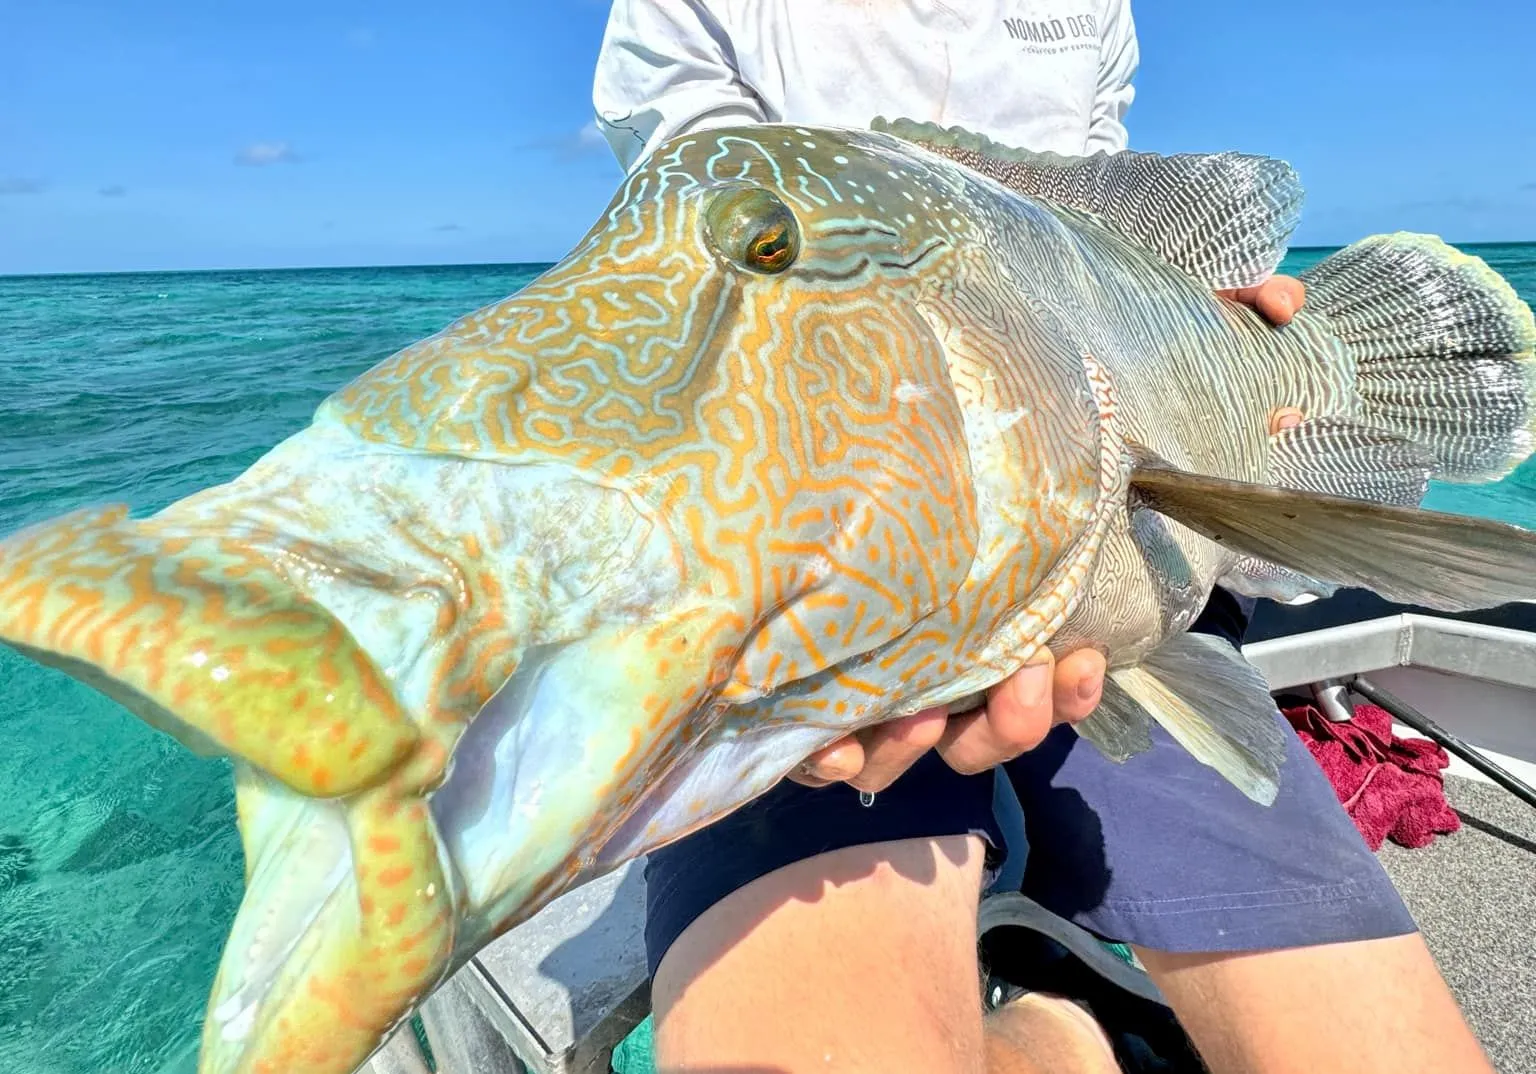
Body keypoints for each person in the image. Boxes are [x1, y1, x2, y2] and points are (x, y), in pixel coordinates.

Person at [590, 4, 1494, 1072]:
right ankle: (1078, 1019)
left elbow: (1096, 230)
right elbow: (700, 235)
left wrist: (1213, 332)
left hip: (1134, 572)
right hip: (825, 630)